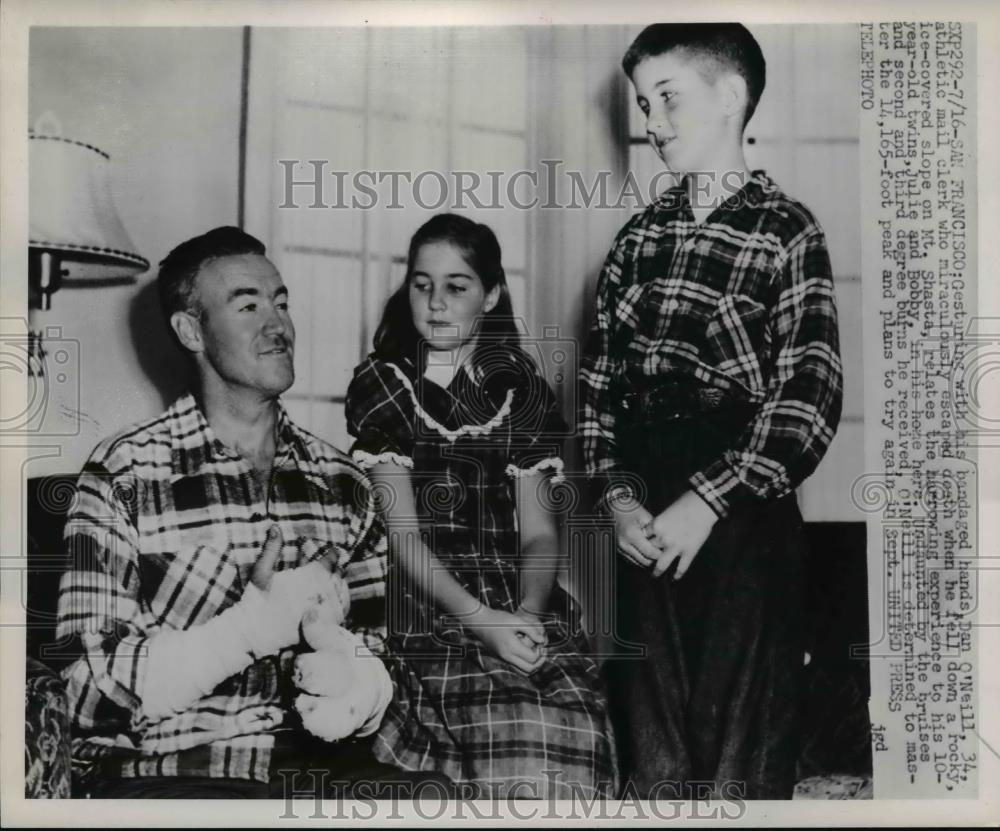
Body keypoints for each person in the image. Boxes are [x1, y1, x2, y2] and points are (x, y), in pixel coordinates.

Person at [55, 226, 447, 798]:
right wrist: (246, 632)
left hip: (319, 773)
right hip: (180, 772)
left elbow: (394, 664)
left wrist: (359, 686)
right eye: (248, 305)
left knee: (437, 800)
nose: (279, 324)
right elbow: (79, 693)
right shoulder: (123, 475)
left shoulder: (345, 483)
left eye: (281, 302)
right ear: (191, 330)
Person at [580, 24, 843, 799]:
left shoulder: (786, 230)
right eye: (641, 103)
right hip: (647, 484)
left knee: (745, 725)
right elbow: (598, 388)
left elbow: (809, 396)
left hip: (744, 495)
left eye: (668, 97)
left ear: (730, 98)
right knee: (651, 711)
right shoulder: (635, 243)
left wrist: (708, 500)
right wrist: (619, 497)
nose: (650, 121)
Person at [345, 214, 617, 799]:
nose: (436, 303)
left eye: (456, 286)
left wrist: (526, 613)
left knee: (578, 724)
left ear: (490, 295)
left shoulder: (522, 392)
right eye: (422, 284)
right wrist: (481, 621)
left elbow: (540, 536)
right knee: (516, 731)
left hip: (516, 597)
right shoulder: (385, 384)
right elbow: (403, 538)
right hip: (429, 600)